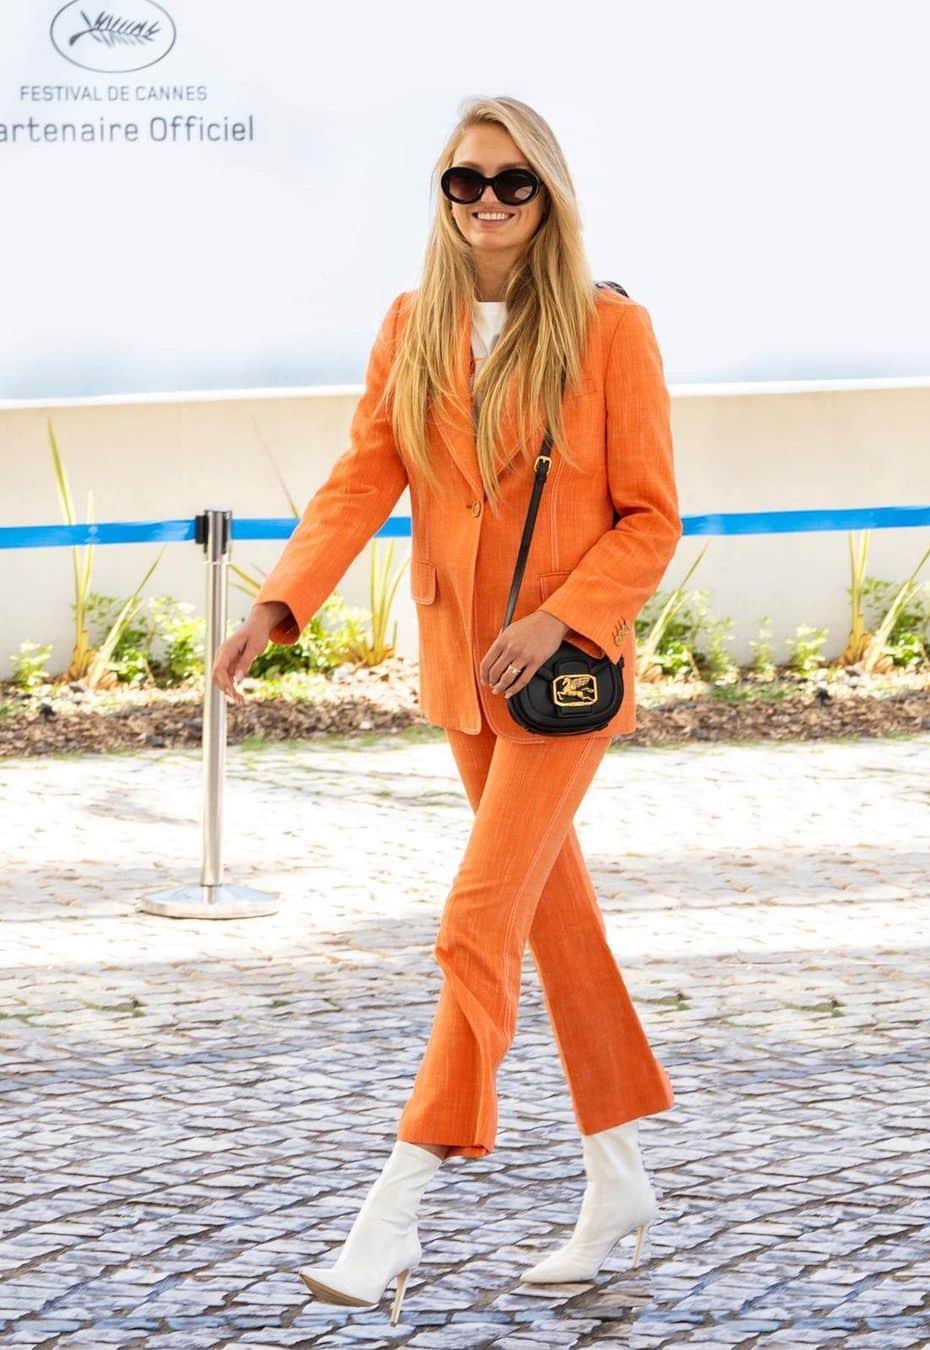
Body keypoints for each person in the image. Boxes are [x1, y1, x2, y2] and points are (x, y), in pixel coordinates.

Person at [211, 95, 683, 1324]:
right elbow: (366, 472)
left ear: (551, 195)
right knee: (551, 924)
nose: (487, 200)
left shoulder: (608, 330)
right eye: (465, 180)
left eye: (513, 182)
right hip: (460, 677)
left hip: (562, 682)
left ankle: (393, 1213)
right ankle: (620, 1176)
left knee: (477, 923)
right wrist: (277, 608)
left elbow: (651, 516)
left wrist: (565, 615)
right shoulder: (414, 324)